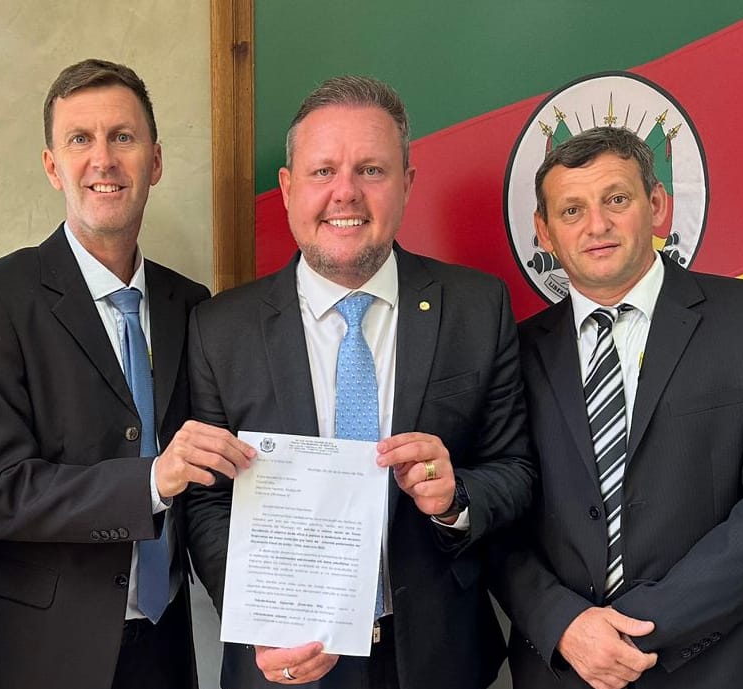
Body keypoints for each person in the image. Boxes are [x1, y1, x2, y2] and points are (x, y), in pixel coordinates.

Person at [186, 75, 536, 689]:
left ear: (407, 183)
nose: (344, 192)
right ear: (288, 188)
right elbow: (207, 501)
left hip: (438, 658)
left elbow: (517, 470)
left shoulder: (477, 308)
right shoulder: (220, 328)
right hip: (284, 662)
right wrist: (254, 616)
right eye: (323, 171)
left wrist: (456, 499)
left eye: (371, 170)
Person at [0, 58, 255, 689]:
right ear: (53, 166)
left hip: (164, 650)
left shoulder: (191, 304)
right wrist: (151, 481)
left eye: (123, 137)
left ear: (154, 162)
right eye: (80, 139)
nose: (103, 159)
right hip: (32, 656)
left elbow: (211, 487)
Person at [490, 126, 743, 689]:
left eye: (616, 199)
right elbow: (497, 513)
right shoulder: (509, 353)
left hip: (723, 668)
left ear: (657, 205)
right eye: (571, 210)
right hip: (566, 669)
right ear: (544, 231)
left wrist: (633, 632)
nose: (596, 225)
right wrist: (566, 626)